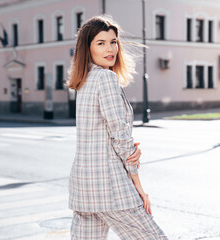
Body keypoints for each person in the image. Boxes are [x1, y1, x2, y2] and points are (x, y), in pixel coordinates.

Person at [67, 15, 168, 240]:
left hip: (83, 186)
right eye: (100, 43)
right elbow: (120, 135)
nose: (110, 48)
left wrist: (129, 146)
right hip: (110, 186)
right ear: (87, 48)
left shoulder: (84, 81)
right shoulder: (105, 79)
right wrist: (138, 185)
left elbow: (103, 134)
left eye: (113, 42)